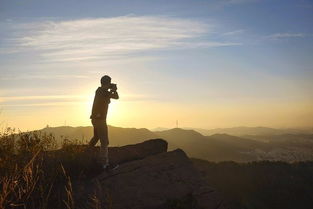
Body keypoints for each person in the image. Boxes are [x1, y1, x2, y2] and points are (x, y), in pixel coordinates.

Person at [88, 75, 119, 171]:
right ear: (107, 83)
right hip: (100, 120)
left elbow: (116, 96)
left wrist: (112, 90)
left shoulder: (100, 91)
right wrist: (113, 89)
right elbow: (116, 96)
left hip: (96, 119)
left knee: (96, 137)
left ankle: (87, 153)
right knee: (105, 142)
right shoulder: (102, 92)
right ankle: (104, 164)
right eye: (109, 83)